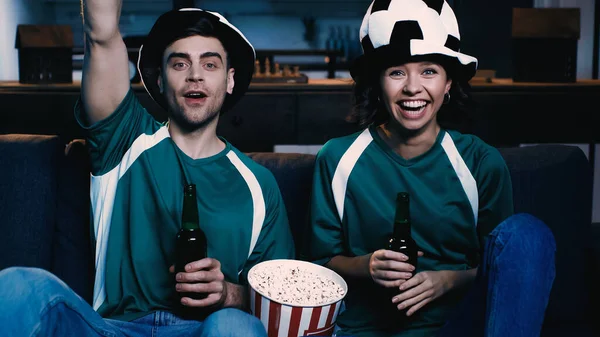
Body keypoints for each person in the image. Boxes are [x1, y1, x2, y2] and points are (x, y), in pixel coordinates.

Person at [0, 1, 295, 336]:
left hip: (205, 331)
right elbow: (100, 33)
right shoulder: (125, 138)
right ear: (160, 79)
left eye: (209, 64)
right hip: (112, 329)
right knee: (20, 285)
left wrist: (228, 293)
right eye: (180, 63)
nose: (195, 74)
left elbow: (279, 297)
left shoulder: (260, 185)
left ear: (229, 80)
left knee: (234, 325)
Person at [307, 1, 556, 336]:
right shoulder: (337, 158)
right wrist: (367, 266)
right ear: (378, 84)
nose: (413, 87)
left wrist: (449, 280)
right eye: (396, 72)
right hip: (366, 328)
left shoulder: (481, 162)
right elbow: (320, 262)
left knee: (528, 233)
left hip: (455, 325)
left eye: (429, 71)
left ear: (448, 83)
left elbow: (504, 265)